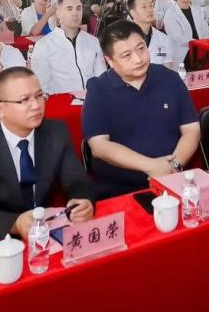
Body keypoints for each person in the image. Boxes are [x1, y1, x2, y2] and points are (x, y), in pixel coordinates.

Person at [0, 67, 96, 242]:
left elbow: (78, 183)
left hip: (44, 233)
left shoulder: (56, 132)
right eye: (24, 100)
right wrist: (15, 223)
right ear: (0, 109)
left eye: (39, 96)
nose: (36, 105)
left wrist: (82, 203)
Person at [82, 21, 200, 199]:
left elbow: (191, 129)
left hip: (175, 178)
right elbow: (99, 146)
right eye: (126, 55)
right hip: (119, 189)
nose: (138, 59)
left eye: (141, 49)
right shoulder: (98, 90)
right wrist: (151, 166)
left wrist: (173, 166)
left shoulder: (170, 79)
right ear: (109, 60)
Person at [31, 0, 106, 94]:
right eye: (69, 9)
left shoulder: (93, 41)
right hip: (61, 101)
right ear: (58, 13)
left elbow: (101, 78)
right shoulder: (43, 45)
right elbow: (42, 87)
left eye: (78, 8)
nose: (75, 13)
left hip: (93, 99)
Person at [164, 0, 209, 64]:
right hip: (183, 53)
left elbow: (206, 30)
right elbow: (179, 38)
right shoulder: (170, 14)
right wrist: (199, 44)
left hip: (201, 50)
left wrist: (203, 45)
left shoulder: (197, 10)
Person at [128, 0, 172, 65]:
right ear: (133, 13)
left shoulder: (163, 38)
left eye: (151, 6)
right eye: (144, 7)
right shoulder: (123, 38)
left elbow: (168, 65)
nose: (150, 10)